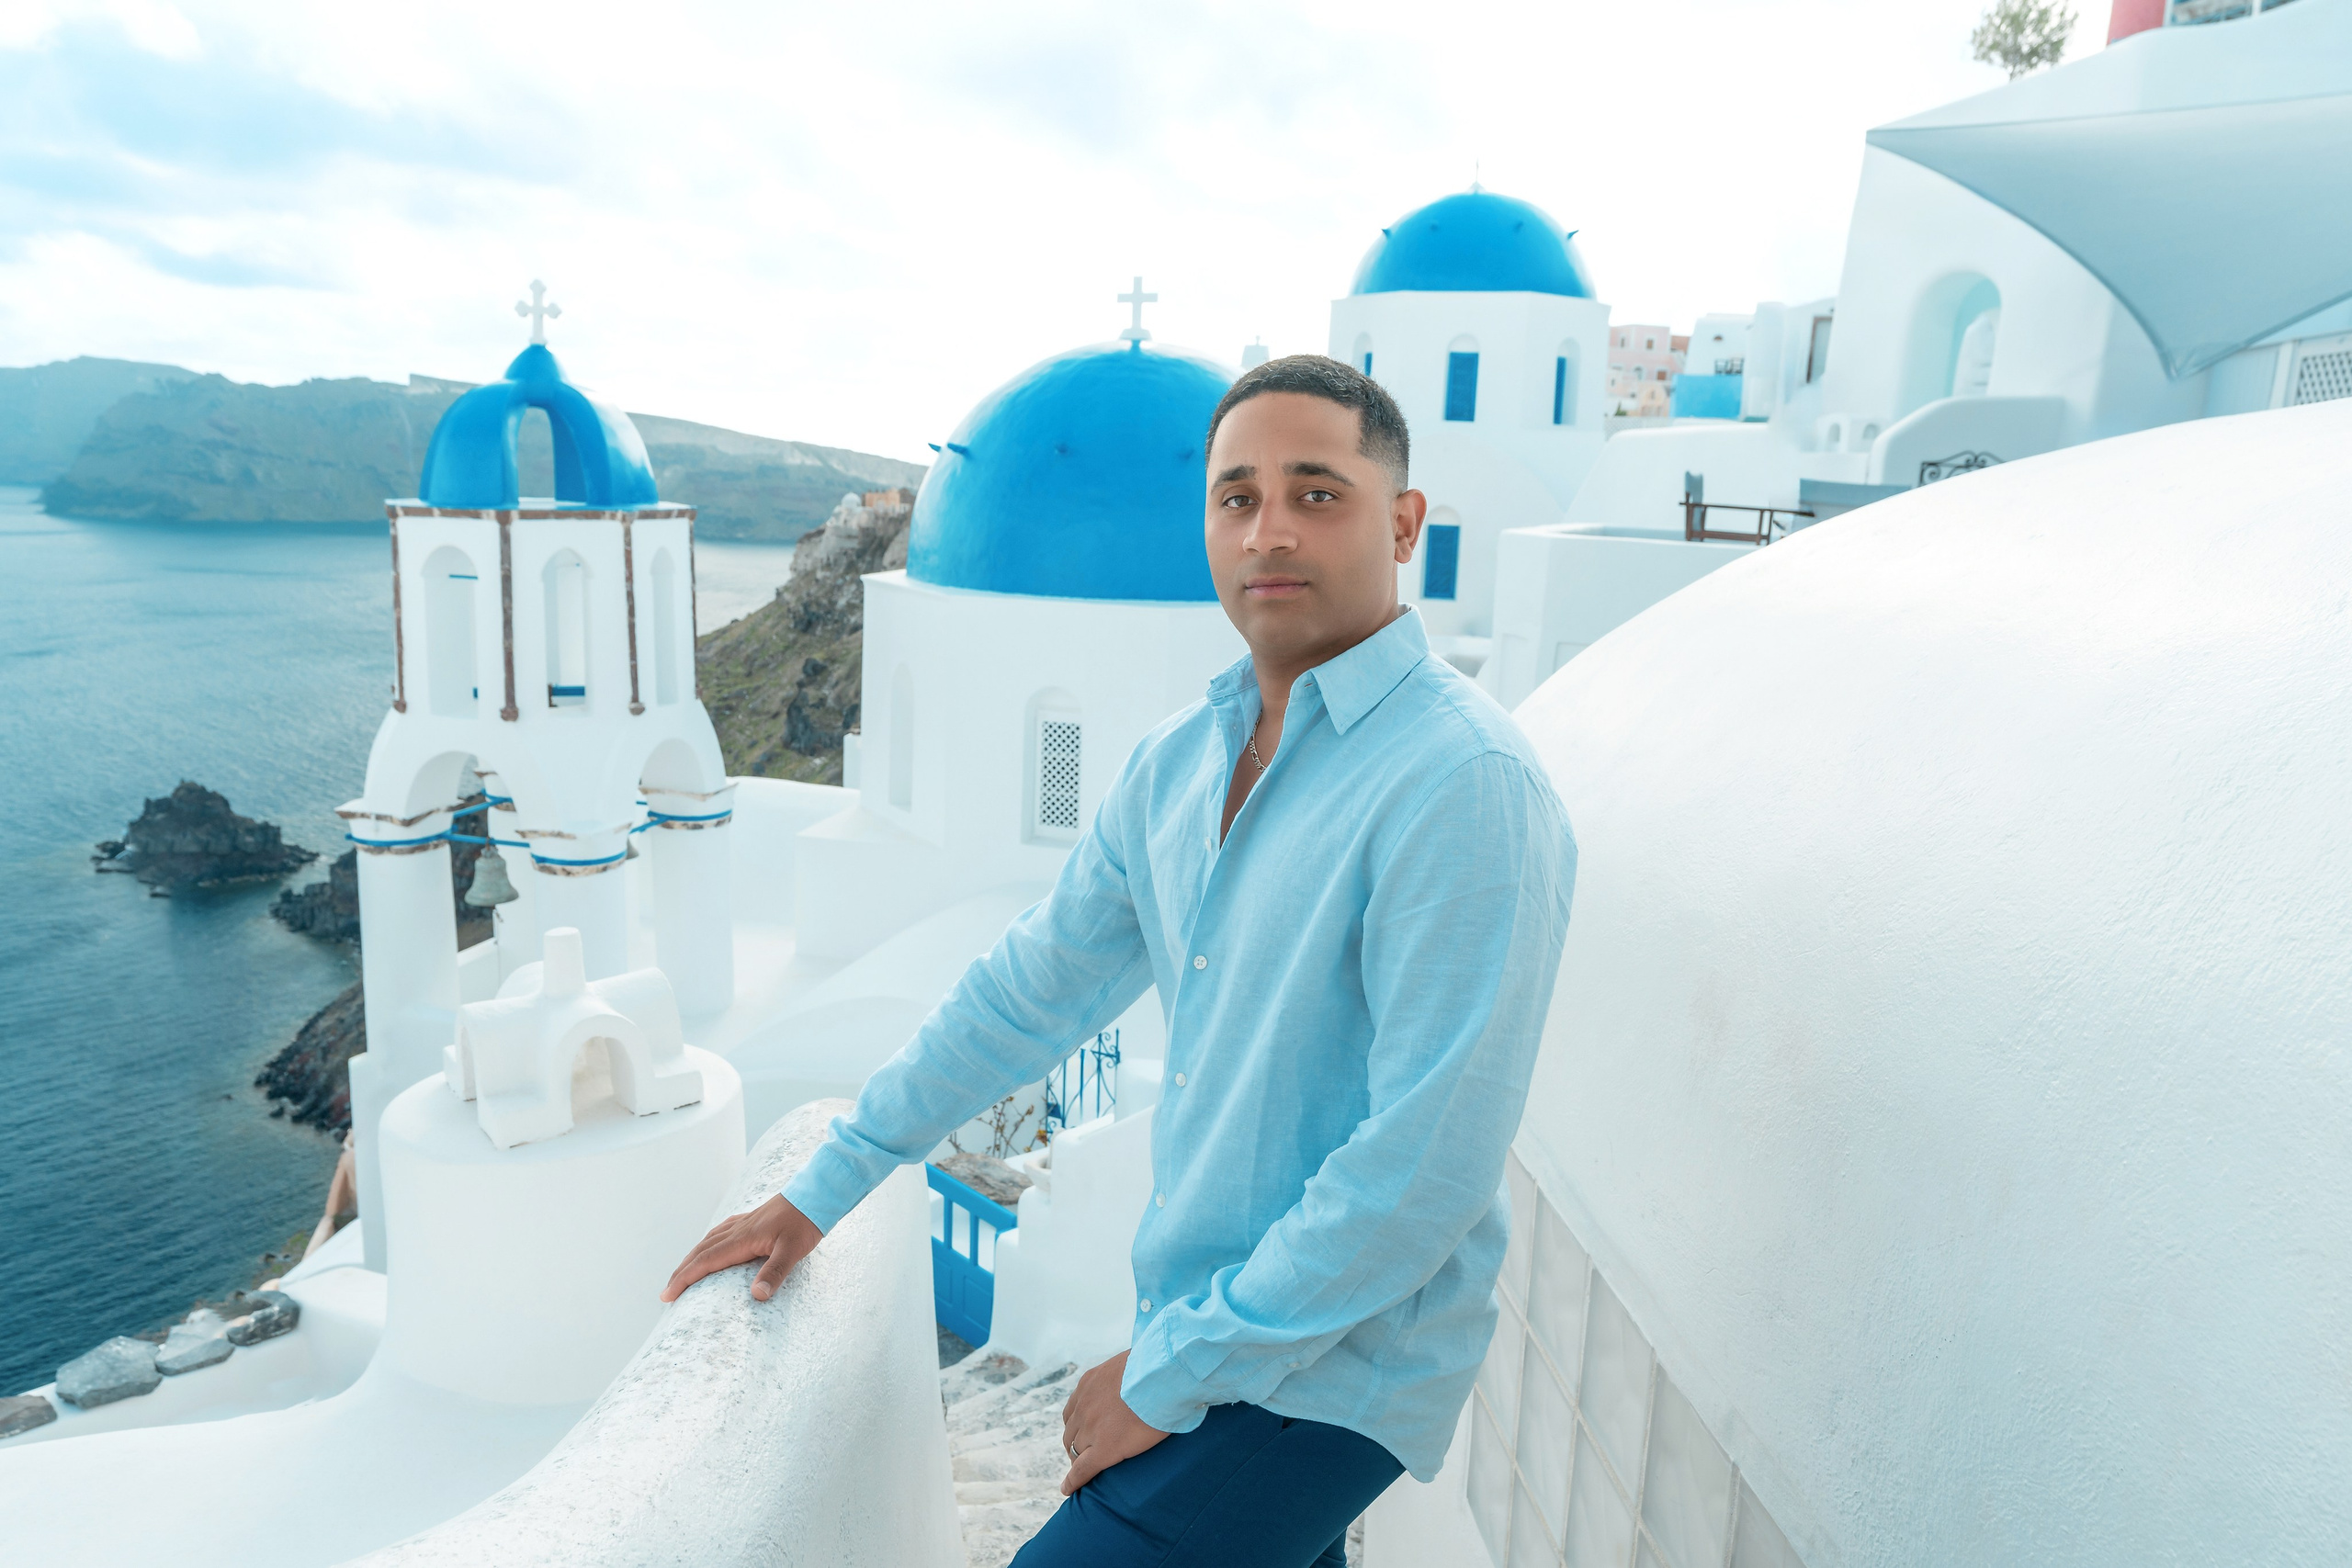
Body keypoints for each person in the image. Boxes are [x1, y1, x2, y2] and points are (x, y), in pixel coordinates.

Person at [662, 355, 1577, 1567]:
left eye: (1317, 493)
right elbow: (1026, 991)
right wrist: (828, 1182)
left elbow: (1424, 1169)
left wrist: (1167, 1375)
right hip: (1208, 1328)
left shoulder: (1464, 785)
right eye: (1236, 496)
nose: (1269, 531)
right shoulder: (1179, 763)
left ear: (1403, 522)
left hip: (1330, 1372)